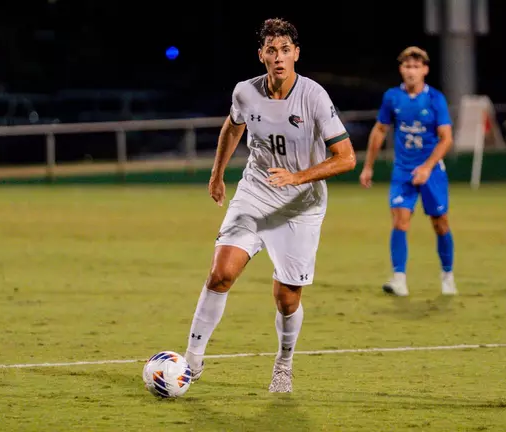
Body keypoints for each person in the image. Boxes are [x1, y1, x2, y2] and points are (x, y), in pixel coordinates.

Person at [183, 18, 356, 393]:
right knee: (221, 272)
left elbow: (345, 158)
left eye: (286, 50)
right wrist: (217, 175)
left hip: (301, 206)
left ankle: (284, 361)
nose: (279, 57)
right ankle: (191, 361)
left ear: (296, 53)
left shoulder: (313, 96)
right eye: (272, 50)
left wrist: (297, 177)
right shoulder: (246, 92)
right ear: (261, 55)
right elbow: (233, 127)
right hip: (256, 193)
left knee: (286, 297)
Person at [359, 46, 457, 297]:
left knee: (440, 223)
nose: (411, 71)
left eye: (416, 67)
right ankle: (399, 279)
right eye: (406, 66)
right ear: (401, 70)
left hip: (432, 170)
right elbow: (380, 130)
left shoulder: (435, 99)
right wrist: (368, 166)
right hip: (403, 170)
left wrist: (426, 167)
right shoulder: (392, 97)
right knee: (400, 220)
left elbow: (446, 139)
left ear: (425, 70)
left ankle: (447, 275)